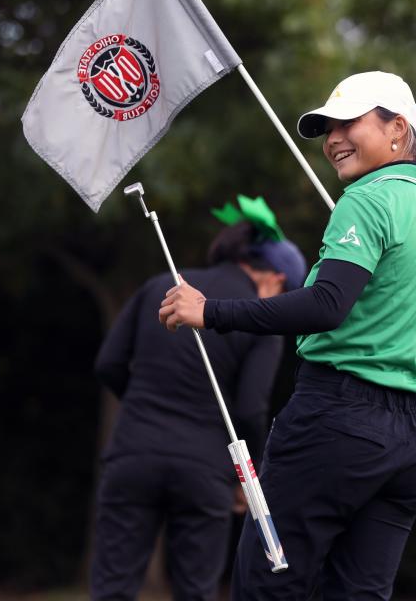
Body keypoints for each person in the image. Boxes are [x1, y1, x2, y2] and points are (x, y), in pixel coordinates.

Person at [159, 71, 416, 600]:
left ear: (398, 128)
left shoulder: (367, 198)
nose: (332, 139)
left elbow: (327, 305)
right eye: (327, 129)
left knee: (269, 584)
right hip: (410, 442)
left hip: (336, 422)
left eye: (349, 122)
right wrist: (404, 307)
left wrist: (211, 311)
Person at [91, 196, 307, 601]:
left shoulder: (163, 286)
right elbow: (249, 408)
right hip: (204, 469)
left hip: (134, 452)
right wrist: (248, 478)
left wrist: (143, 406)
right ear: (276, 280)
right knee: (196, 591)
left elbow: (108, 364)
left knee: (112, 588)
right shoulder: (261, 324)